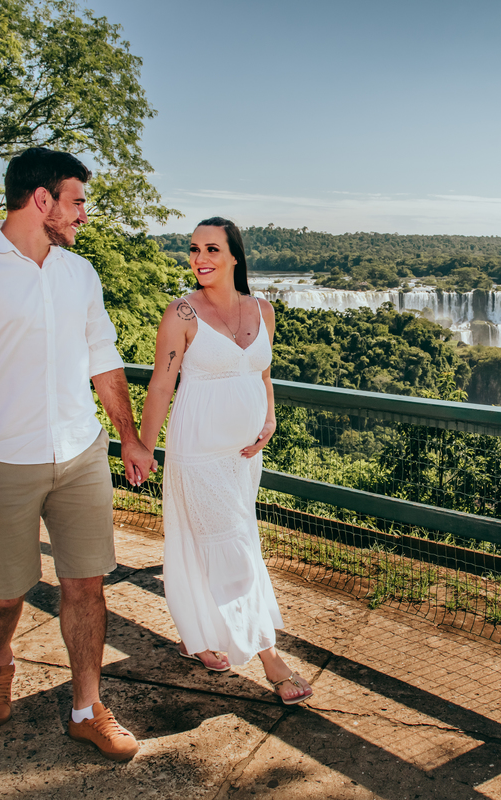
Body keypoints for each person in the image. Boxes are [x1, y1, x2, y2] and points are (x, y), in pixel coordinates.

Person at [0, 147, 155, 762]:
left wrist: (126, 434)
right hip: (2, 460)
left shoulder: (80, 274)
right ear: (42, 200)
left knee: (87, 585)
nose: (83, 215)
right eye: (76, 202)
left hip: (80, 453)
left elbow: (104, 358)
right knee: (5, 592)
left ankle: (86, 706)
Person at [139, 217, 312, 705]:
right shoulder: (182, 315)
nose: (200, 259)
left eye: (211, 249)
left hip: (243, 457)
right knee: (234, 546)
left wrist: (270, 418)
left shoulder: (264, 310)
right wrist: (143, 448)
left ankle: (203, 636)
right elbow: (160, 384)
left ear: (235, 255)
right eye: (193, 250)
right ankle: (270, 658)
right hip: (198, 453)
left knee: (211, 541)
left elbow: (263, 372)